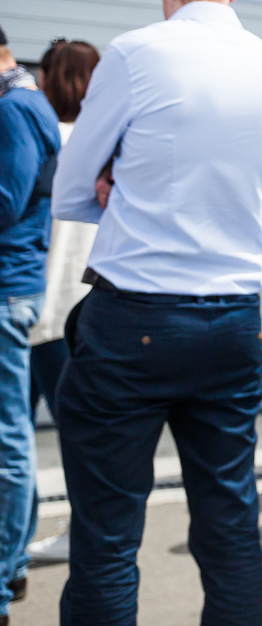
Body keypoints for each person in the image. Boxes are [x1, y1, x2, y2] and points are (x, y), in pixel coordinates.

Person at [51, 0, 262, 625]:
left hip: (133, 317)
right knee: (229, 523)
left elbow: (70, 191)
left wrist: (117, 191)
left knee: (106, 537)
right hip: (232, 322)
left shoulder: (135, 53)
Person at [25, 39, 102, 567]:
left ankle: (18, 538)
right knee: (81, 436)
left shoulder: (39, 136)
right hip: (87, 309)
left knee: (16, 435)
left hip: (39, 308)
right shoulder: (103, 144)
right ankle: (80, 530)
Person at [0, 25, 62, 626]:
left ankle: (4, 575)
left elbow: (6, 199)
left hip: (8, 287)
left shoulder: (16, 107)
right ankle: (12, 563)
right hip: (19, 286)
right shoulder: (26, 100)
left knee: (7, 439)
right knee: (13, 433)